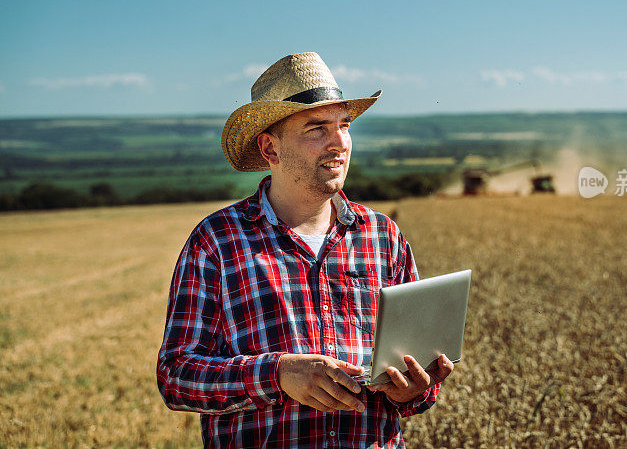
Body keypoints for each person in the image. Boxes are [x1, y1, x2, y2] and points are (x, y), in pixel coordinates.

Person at [156, 52, 454, 448]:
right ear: (270, 149)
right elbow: (176, 377)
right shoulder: (217, 241)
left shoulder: (384, 236)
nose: (338, 142)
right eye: (317, 129)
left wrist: (412, 389)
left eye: (343, 126)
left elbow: (414, 389)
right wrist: (277, 374)